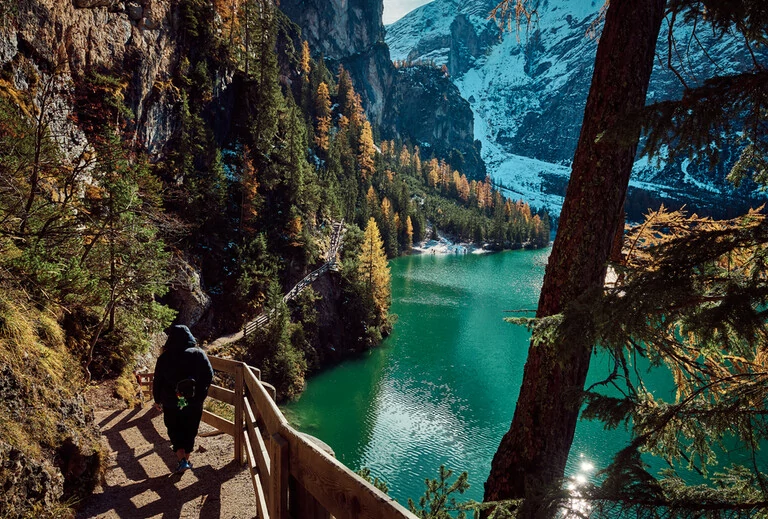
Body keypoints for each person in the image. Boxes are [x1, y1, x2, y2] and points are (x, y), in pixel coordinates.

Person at [153, 325, 214, 473]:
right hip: (194, 401)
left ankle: (181, 460)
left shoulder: (164, 358)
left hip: (172, 401)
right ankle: (186, 460)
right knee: (190, 428)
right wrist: (199, 392)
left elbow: (158, 381)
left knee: (174, 428)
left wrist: (157, 399)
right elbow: (209, 375)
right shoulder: (199, 354)